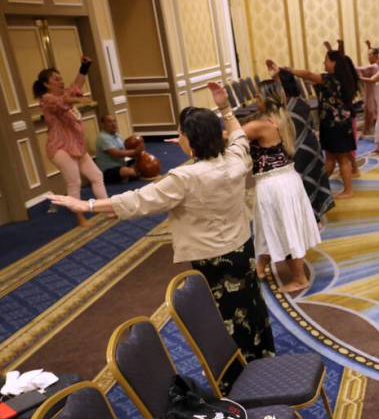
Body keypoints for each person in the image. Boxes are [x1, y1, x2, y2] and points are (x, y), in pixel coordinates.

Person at [50, 82, 276, 363]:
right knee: (250, 303)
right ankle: (263, 357)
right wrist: (225, 107)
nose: (178, 138)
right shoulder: (235, 160)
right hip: (242, 248)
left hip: (212, 258)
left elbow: (138, 200)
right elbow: (239, 136)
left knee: (225, 317)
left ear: (191, 141)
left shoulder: (184, 179)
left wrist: (88, 204)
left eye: (181, 134)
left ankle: (239, 374)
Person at [245, 80, 321, 293]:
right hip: (287, 179)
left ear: (265, 99)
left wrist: (224, 111)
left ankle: (299, 279)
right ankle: (262, 262)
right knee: (272, 224)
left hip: (274, 184)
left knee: (283, 227)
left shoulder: (260, 125)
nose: (255, 100)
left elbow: (231, 136)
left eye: (258, 96)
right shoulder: (283, 118)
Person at [35, 56, 108, 227]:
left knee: (96, 176)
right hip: (60, 148)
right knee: (74, 182)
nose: (60, 81)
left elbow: (77, 85)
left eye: (61, 78)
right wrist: (78, 100)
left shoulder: (65, 93)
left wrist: (85, 66)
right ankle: (80, 218)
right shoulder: (47, 98)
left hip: (76, 145)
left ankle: (107, 208)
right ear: (46, 84)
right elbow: (63, 102)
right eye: (56, 79)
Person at [282, 50, 362, 199]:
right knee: (330, 159)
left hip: (336, 125)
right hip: (335, 124)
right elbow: (313, 81)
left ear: (334, 63)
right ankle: (318, 186)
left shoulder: (332, 79)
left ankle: (348, 190)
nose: (324, 63)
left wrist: (290, 70)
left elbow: (308, 74)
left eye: (326, 60)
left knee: (342, 159)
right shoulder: (342, 78)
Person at [265, 59, 334, 224]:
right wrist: (276, 74)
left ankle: (305, 218)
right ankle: (313, 214)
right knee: (309, 180)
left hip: (300, 151)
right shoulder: (300, 101)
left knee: (299, 182)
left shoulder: (284, 109)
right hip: (312, 148)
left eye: (277, 85)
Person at [94, 114, 141, 184]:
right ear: (103, 124)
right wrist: (134, 151)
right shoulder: (102, 138)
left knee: (140, 163)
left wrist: (139, 154)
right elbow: (116, 153)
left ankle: (126, 176)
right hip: (108, 171)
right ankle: (127, 174)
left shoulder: (117, 135)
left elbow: (125, 151)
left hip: (121, 165)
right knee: (134, 172)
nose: (113, 124)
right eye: (109, 122)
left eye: (114, 121)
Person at [356, 44, 379, 136]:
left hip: (373, 92)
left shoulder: (374, 66)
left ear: (376, 56)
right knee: (370, 110)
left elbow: (360, 69)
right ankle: (367, 130)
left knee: (371, 111)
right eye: (368, 55)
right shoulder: (376, 65)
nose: (368, 57)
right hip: (371, 91)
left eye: (370, 55)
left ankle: (371, 131)